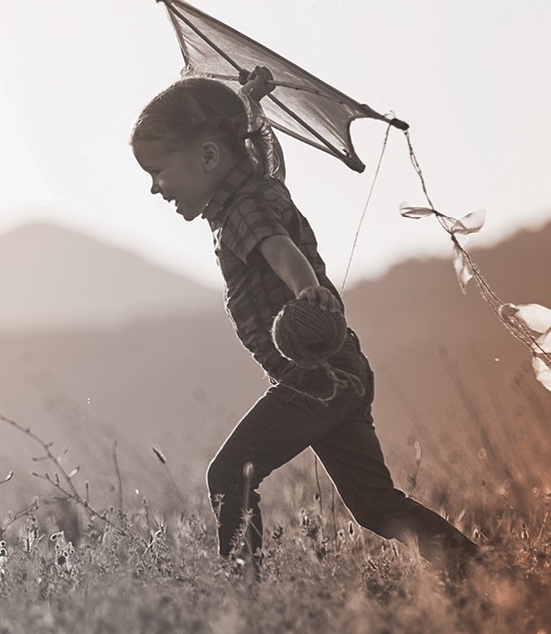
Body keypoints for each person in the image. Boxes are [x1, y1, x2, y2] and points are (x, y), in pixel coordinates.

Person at [130, 70, 479, 577]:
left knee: (230, 474)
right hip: (345, 374)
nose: (155, 188)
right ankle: (482, 573)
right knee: (378, 506)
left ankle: (242, 593)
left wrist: (305, 290)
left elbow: (281, 250)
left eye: (158, 171)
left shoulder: (243, 211)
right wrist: (246, 103)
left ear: (207, 157)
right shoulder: (255, 191)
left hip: (316, 380)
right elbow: (259, 164)